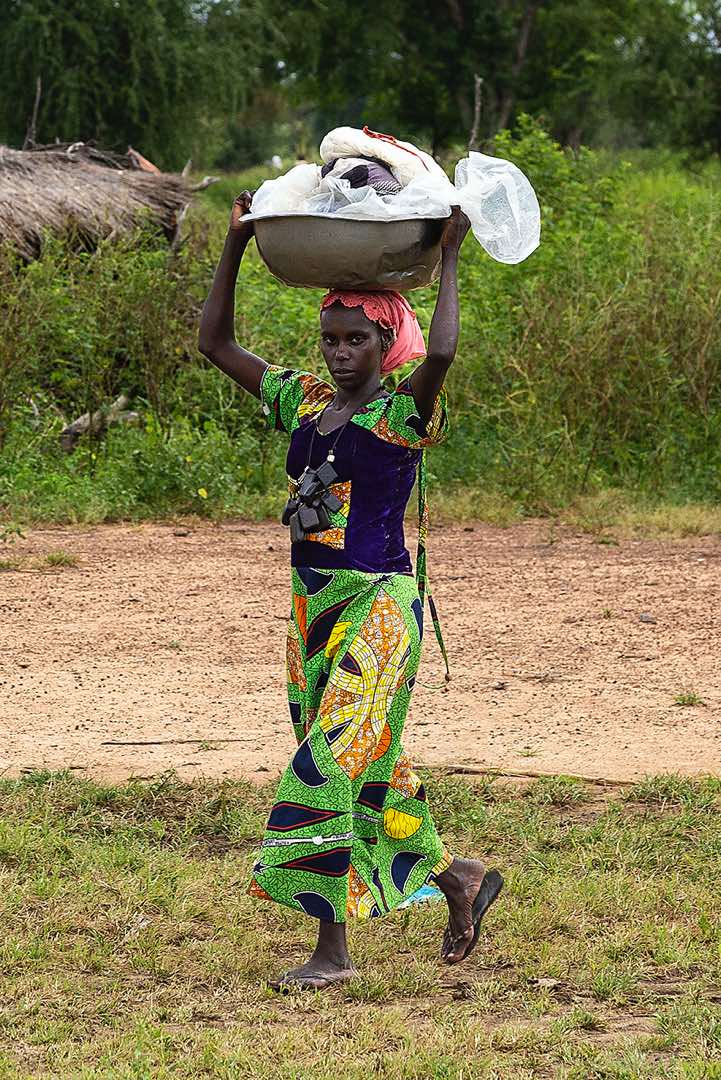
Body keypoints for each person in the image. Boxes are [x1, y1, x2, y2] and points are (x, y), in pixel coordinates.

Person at [198, 191, 503, 991]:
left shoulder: (403, 413)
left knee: (326, 767)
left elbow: (440, 357)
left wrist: (450, 257)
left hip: (376, 609)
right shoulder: (301, 401)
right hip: (313, 612)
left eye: (355, 338)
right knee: (371, 770)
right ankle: (457, 877)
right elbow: (214, 342)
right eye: (329, 338)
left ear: (384, 340)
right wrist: (235, 243)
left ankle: (331, 952)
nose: (337, 352)